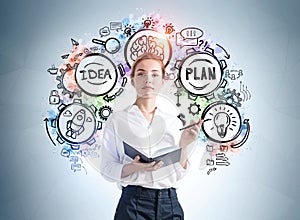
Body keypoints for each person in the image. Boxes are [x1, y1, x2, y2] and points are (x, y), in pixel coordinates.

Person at [99, 52, 201, 220]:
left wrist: (184, 145)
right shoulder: (117, 120)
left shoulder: (173, 122)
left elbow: (179, 173)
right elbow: (107, 170)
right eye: (141, 73)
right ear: (132, 80)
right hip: (133, 203)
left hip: (170, 202)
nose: (148, 79)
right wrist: (135, 167)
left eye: (155, 74)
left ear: (162, 81)